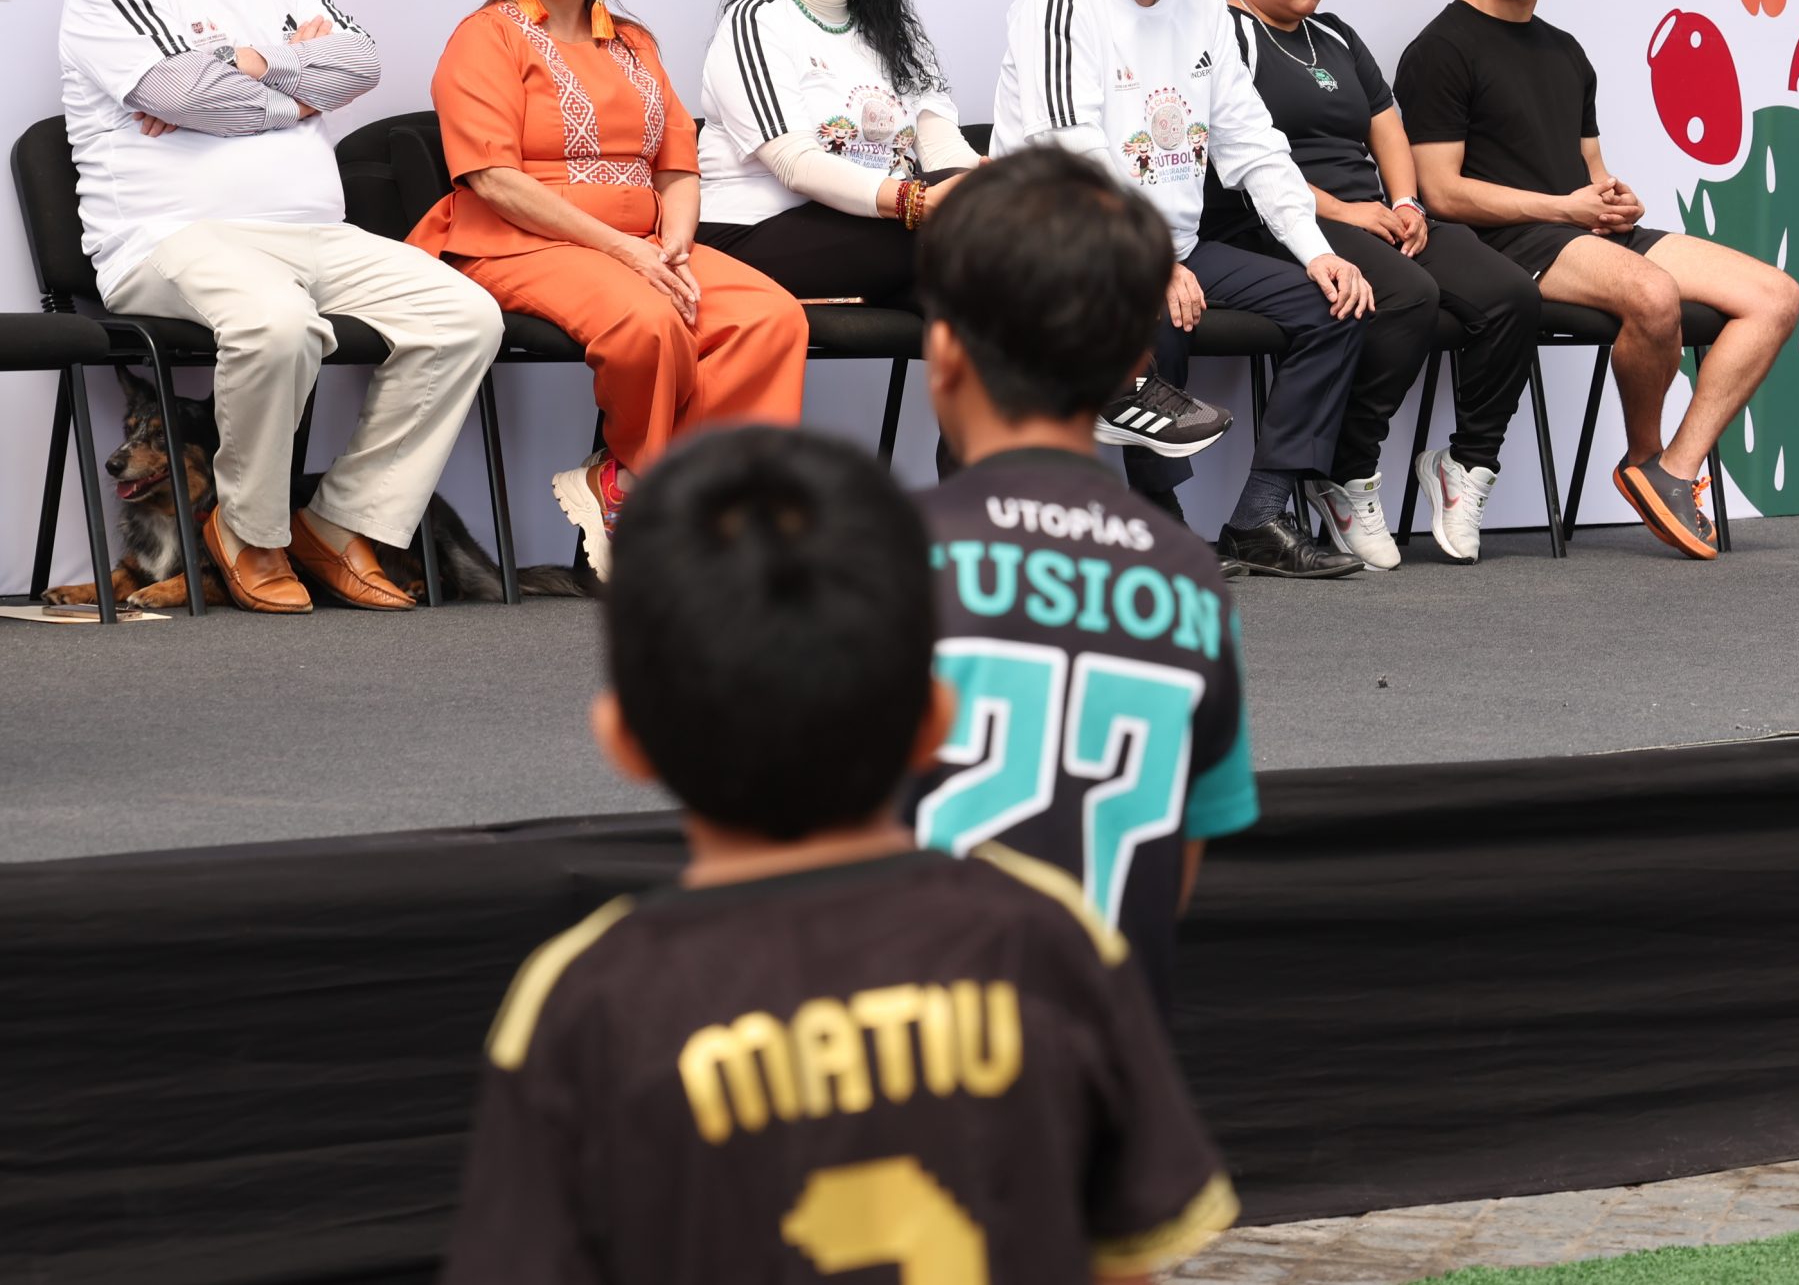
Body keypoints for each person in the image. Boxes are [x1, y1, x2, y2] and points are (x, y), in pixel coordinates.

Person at [440, 425, 1237, 1282]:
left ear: (625, 741)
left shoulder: (585, 1001)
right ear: (937, 721)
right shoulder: (1050, 939)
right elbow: (1126, 1259)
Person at [57, 0, 502, 614]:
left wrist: (248, 67)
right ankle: (250, 532)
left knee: (466, 317)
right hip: (170, 238)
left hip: (313, 236)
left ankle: (337, 524)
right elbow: (176, 87)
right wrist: (295, 89)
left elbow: (360, 65)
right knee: (278, 326)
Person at [912, 149, 1260, 1014]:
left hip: (920, 1058)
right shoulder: (1189, 579)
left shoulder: (882, 556)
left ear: (945, 354)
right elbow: (1180, 852)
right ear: (1123, 369)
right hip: (1110, 1053)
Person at [410, 0, 808, 577]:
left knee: (769, 317)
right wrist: (629, 253)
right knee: (648, 321)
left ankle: (678, 496)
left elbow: (679, 166)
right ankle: (644, 484)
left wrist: (675, 248)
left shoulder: (635, 42)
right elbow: (493, 178)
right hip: (514, 241)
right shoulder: (485, 36)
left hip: (643, 240)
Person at [1398, 0, 1799, 561]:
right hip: (1503, 242)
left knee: (1775, 295)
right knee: (1652, 291)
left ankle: (1673, 469)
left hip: (1580, 229)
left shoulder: (1567, 52)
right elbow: (1441, 192)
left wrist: (1614, 197)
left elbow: (1590, 168)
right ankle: (1644, 456)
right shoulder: (1441, 49)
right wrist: (1565, 206)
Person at [992, 0, 1372, 578]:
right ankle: (1157, 525)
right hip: (1067, 238)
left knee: (1335, 307)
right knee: (1157, 309)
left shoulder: (1202, 4)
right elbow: (1070, 150)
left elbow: (1251, 139)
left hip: (1176, 241)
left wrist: (1314, 248)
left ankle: (1259, 517)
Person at [1212, 0, 1540, 567]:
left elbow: (1386, 126)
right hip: (1283, 220)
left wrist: (1406, 203)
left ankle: (1466, 463)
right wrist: (1343, 211)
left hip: (1376, 214)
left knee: (1511, 294)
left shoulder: (1334, 34)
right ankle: (1347, 471)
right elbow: (1240, 159)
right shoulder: (1222, 35)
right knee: (1407, 296)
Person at [694, 0, 978, 301]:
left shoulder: (893, 31)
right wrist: (916, 203)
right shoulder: (754, 21)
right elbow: (795, 165)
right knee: (973, 250)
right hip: (754, 233)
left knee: (983, 272)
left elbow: (943, 149)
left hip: (879, 227)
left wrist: (990, 192)